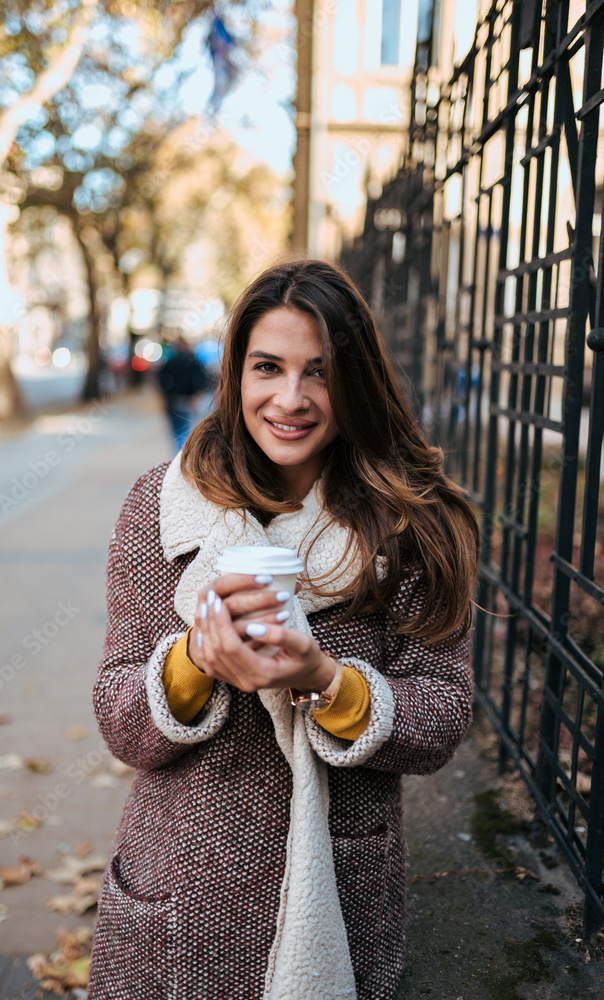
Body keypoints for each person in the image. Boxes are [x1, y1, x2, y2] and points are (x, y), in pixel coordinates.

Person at [88, 259, 479, 1000]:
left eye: (320, 373)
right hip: (177, 900)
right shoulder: (162, 508)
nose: (290, 399)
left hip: (339, 893)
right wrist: (193, 663)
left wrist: (324, 681)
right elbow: (117, 715)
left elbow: (445, 714)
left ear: (356, 381)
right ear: (237, 372)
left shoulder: (413, 522)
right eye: (268, 367)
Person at [155, 334, 210, 449]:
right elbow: (202, 379)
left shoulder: (170, 361)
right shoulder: (192, 360)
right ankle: (182, 455)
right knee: (186, 429)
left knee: (176, 430)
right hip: (187, 399)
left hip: (173, 399)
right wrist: (196, 393)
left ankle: (178, 454)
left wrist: (166, 394)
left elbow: (161, 379)